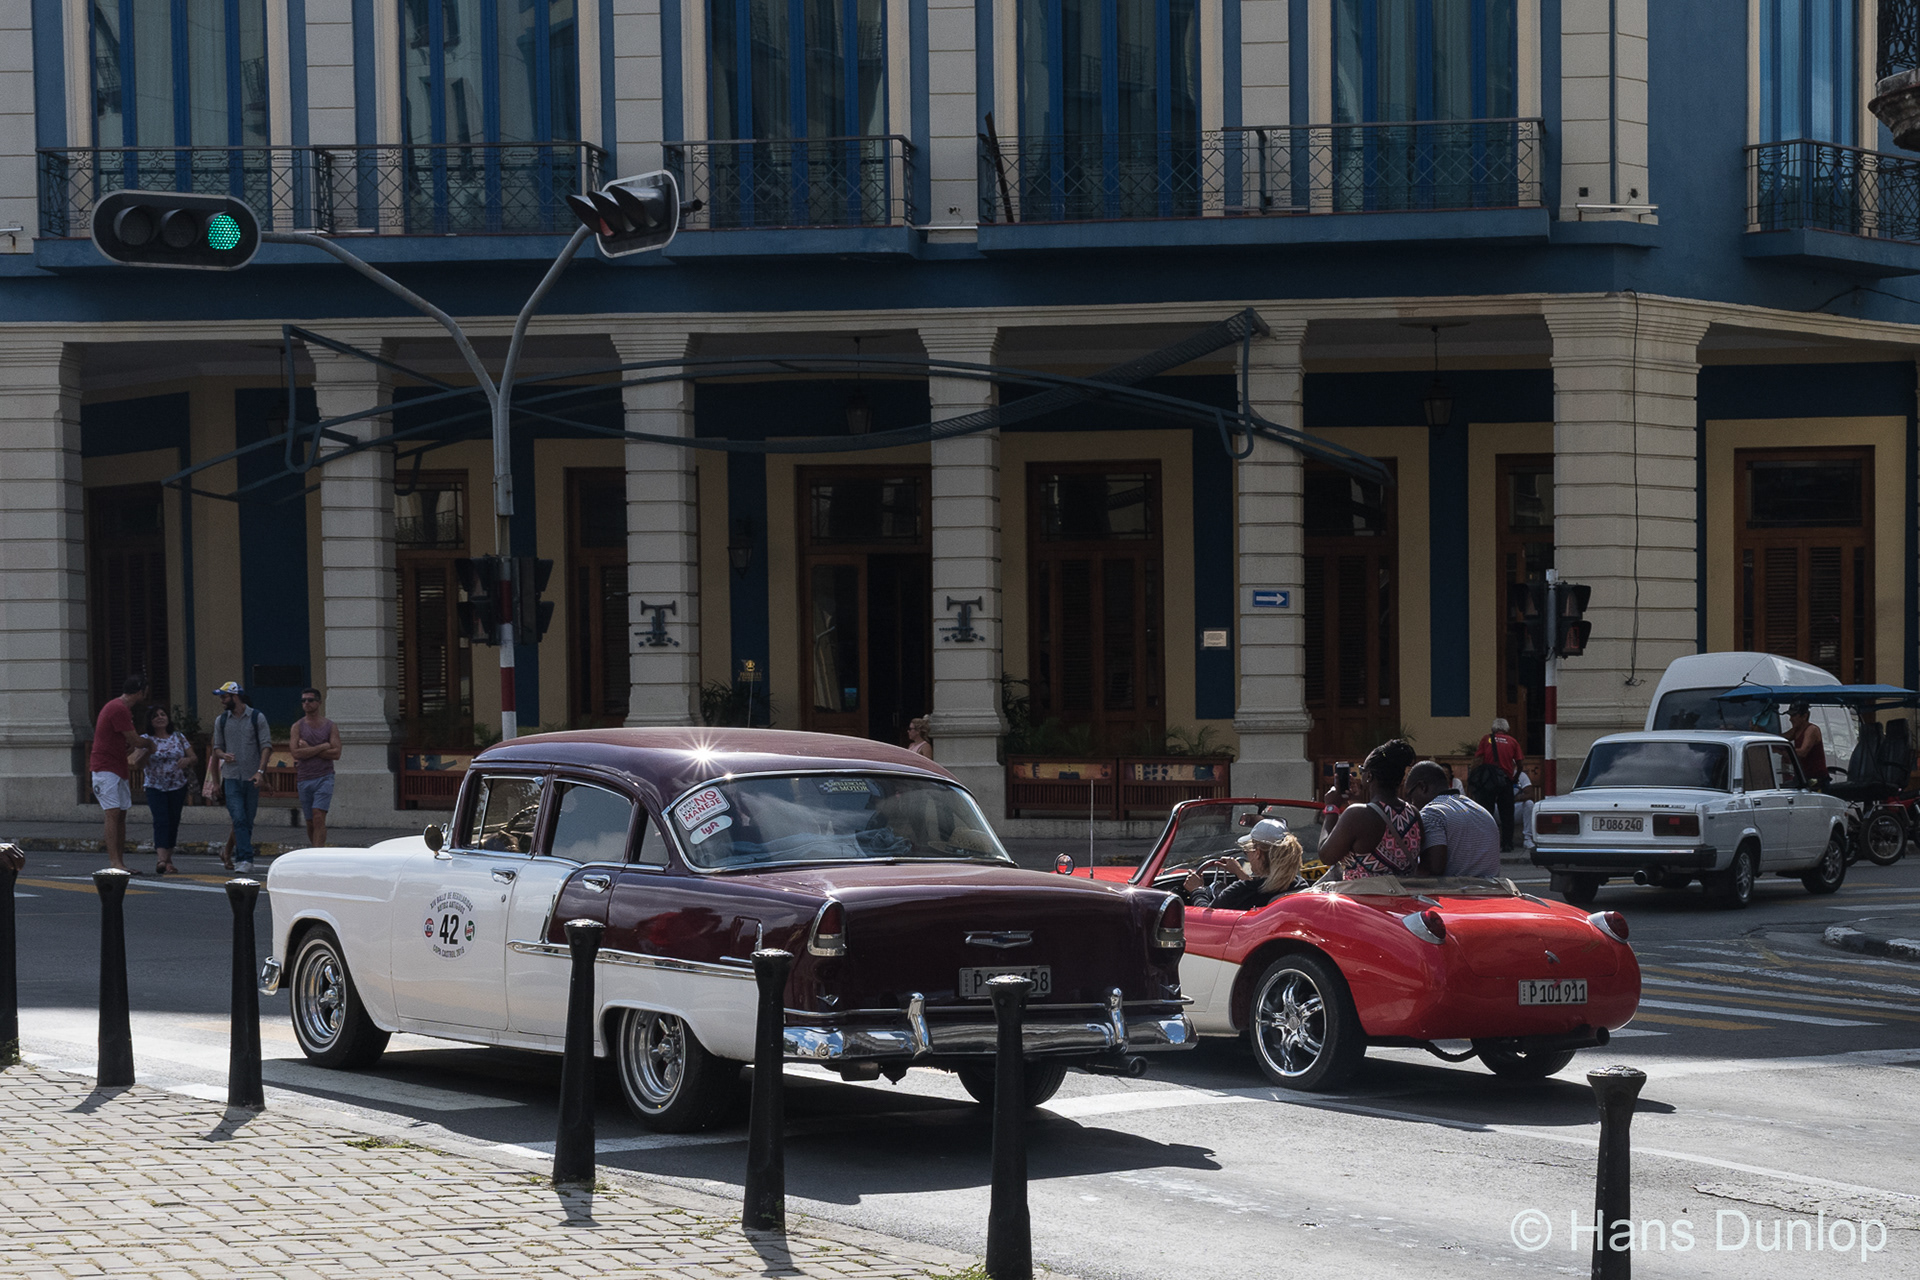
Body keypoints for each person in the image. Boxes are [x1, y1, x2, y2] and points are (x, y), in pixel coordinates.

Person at [1317, 740, 1425, 880]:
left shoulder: (1357, 815)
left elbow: (1326, 856)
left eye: (1362, 770)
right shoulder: (1413, 813)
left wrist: (1332, 808)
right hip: (1400, 897)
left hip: (1363, 899)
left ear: (1369, 776)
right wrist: (1356, 802)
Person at [89, 674, 153, 874]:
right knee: (113, 812)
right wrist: (150, 743)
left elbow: (123, 741)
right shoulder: (118, 708)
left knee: (121, 813)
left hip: (117, 766)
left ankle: (120, 861)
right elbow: (134, 741)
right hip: (105, 767)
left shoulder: (121, 708)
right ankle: (114, 861)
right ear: (140, 691)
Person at [1402, 760, 1503, 878]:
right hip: (1493, 891)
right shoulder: (1480, 810)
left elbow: (1434, 869)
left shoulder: (1432, 813)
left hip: (1458, 893)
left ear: (1423, 787)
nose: (1410, 803)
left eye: (1409, 795)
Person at [1182, 818, 1310, 910]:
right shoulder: (1299, 885)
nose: (1247, 856)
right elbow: (1262, 887)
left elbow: (1207, 917)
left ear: (1258, 853)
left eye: (1247, 851)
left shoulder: (1240, 891)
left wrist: (1197, 890)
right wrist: (1239, 873)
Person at [210, 681, 271, 874]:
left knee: (247, 819)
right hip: (231, 776)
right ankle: (244, 858)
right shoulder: (221, 720)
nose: (222, 700)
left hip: (252, 777)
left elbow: (266, 746)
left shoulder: (256, 717)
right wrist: (223, 755)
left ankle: (234, 853)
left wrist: (260, 772)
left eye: (224, 697)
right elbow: (216, 748)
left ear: (235, 697)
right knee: (238, 817)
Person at [140, 705, 196, 875]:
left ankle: (168, 860)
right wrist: (147, 751)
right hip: (155, 785)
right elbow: (136, 763)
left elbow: (194, 757)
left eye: (163, 714)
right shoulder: (145, 739)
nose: (160, 718)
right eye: (156, 716)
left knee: (173, 821)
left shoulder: (178, 737)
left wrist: (187, 760)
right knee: (161, 820)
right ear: (150, 721)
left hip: (177, 785)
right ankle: (161, 859)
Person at [290, 687, 341, 847]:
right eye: (303, 700)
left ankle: (318, 854)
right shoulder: (297, 727)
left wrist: (308, 748)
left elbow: (336, 753)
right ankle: (315, 850)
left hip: (324, 776)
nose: (306, 703)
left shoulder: (330, 726)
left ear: (318, 703)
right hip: (304, 778)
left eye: (310, 700)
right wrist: (322, 747)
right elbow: (296, 753)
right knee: (310, 821)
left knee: (318, 816)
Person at [1472, 717, 1525, 852]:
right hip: (1505, 780)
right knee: (1507, 814)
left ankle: (1486, 843)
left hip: (1488, 780)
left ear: (1493, 729)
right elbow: (1520, 763)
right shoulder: (1512, 741)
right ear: (1506, 729)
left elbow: (1478, 759)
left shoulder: (1487, 739)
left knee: (1485, 813)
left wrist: (1474, 777)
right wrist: (1515, 777)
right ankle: (1507, 843)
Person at [1785, 701, 1828, 788]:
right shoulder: (1796, 730)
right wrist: (1760, 731)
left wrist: (1785, 750)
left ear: (1804, 716)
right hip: (1802, 777)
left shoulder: (1811, 730)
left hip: (1816, 780)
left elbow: (1803, 752)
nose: (1790, 719)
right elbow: (1780, 738)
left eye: (1793, 716)